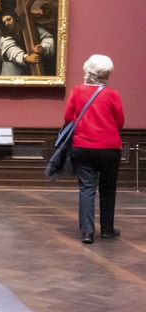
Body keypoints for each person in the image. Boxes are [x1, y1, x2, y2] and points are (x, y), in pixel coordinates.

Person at [65, 55, 125, 244]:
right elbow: (120, 123)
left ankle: (87, 232)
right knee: (108, 189)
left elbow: (68, 117)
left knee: (87, 188)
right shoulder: (113, 95)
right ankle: (107, 229)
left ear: (87, 69)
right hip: (109, 148)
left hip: (82, 147)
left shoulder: (76, 91)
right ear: (107, 73)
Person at [0, 10, 54, 76]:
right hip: (14, 67)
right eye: (4, 22)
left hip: (36, 62)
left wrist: (42, 48)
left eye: (9, 19)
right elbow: (10, 49)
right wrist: (26, 58)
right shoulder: (4, 32)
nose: (7, 23)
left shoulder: (30, 25)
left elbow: (48, 38)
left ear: (15, 18)